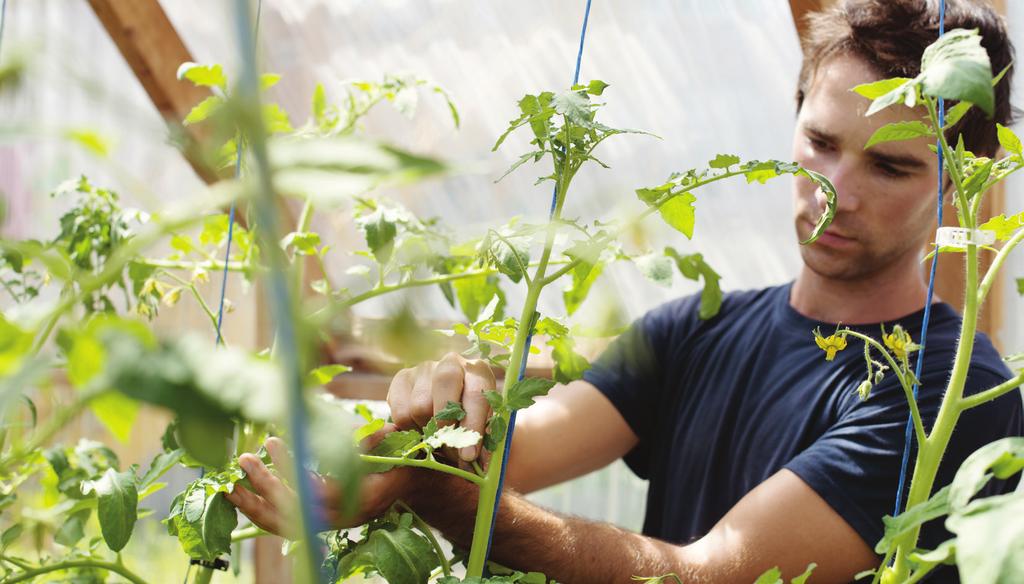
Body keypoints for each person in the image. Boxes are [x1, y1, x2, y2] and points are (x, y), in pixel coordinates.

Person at [226, 1, 1024, 582]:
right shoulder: (697, 328)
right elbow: (516, 447)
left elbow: (703, 576)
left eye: (889, 166)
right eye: (820, 142)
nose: (835, 191)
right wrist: (403, 443)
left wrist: (452, 501)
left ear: (957, 185)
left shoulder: (953, 393)